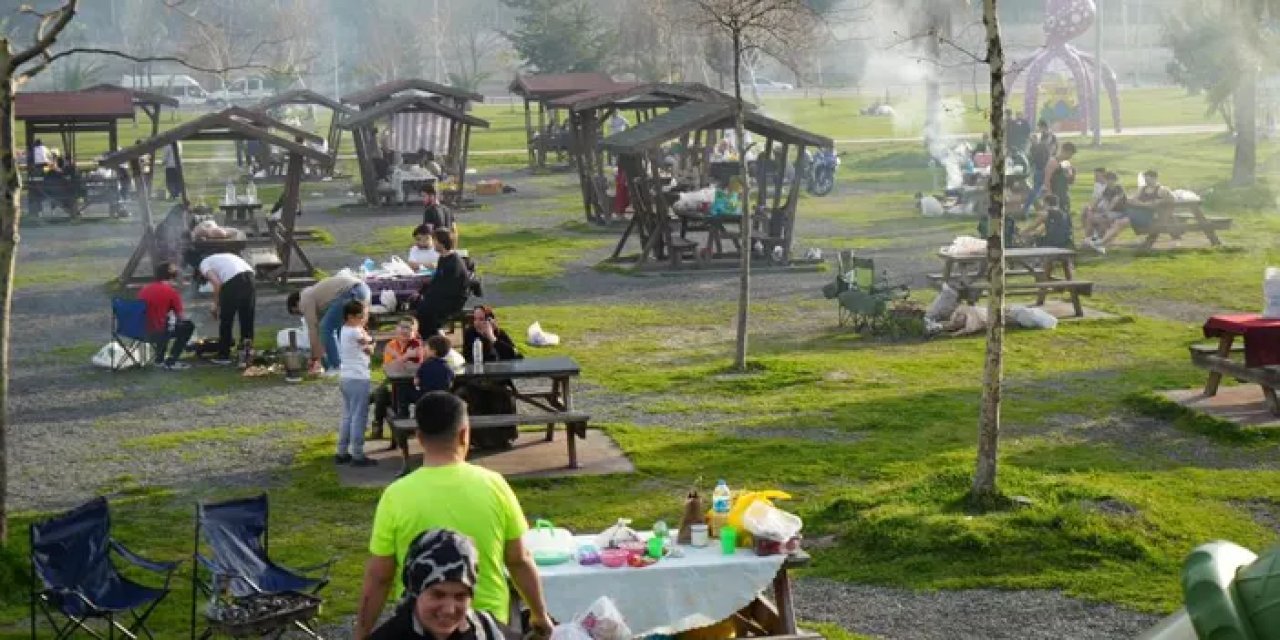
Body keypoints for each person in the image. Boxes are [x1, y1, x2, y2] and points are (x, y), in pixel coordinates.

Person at [355, 392, 553, 639]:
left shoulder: (396, 496)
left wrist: (362, 631)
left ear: (419, 437)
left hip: (423, 622)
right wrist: (538, 613)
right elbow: (518, 559)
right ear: (464, 434)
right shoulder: (494, 485)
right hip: (486, 624)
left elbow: (380, 576)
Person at [368, 529, 505, 640]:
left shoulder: (489, 632)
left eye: (460, 596)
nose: (449, 610)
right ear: (415, 591)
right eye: (438, 595)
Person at [458, 306, 521, 451]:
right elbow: (468, 358)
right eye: (475, 319)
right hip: (475, 378)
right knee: (471, 395)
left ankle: (504, 438)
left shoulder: (499, 334)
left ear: (490, 320)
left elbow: (514, 356)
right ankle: (480, 439)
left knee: (504, 394)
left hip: (498, 378)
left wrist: (492, 338)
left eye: (481, 319)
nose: (477, 323)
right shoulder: (470, 334)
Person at [287, 272, 373, 375]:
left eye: (298, 312)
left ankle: (336, 366)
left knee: (326, 327)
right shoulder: (319, 299)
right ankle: (352, 364)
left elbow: (314, 330)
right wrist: (321, 359)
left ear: (297, 303)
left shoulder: (305, 297)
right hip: (364, 290)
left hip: (352, 292)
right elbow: (322, 337)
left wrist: (314, 358)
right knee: (342, 331)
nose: (302, 314)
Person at [1089, 169, 1172, 254]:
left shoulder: (1161, 190)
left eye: (1148, 179)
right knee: (1118, 222)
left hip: (1147, 217)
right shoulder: (1143, 189)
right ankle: (1102, 243)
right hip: (1136, 214)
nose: (1146, 181)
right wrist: (1143, 203)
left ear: (1155, 178)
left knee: (1120, 222)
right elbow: (1133, 200)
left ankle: (1101, 243)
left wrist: (1154, 202)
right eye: (1145, 179)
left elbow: (1169, 200)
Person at [337, 300, 377, 467]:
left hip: (346, 376)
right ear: (350, 317)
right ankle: (358, 455)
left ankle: (342, 452)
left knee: (348, 416)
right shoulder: (354, 331)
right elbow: (369, 349)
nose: (364, 319)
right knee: (359, 417)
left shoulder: (346, 329)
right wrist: (372, 343)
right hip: (358, 377)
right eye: (361, 316)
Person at [198, 252, 256, 366]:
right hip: (250, 277)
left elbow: (217, 284)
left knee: (226, 320)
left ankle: (224, 355)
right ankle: (246, 354)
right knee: (247, 318)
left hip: (233, 281)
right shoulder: (220, 258)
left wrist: (215, 305)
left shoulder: (203, 264)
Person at [371, 318, 423, 441]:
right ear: (396, 329)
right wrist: (406, 357)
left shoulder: (417, 345)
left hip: (412, 385)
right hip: (393, 382)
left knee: (395, 395)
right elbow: (388, 368)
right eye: (402, 327)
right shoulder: (391, 345)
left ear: (415, 333)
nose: (405, 331)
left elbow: (414, 368)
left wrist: (397, 357)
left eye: (409, 328)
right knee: (381, 393)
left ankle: (404, 428)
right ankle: (377, 425)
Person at [136, 262, 195, 371]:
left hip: (139, 331)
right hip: (157, 333)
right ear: (173, 275)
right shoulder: (171, 292)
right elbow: (181, 317)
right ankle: (171, 361)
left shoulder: (145, 289)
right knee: (188, 326)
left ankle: (159, 359)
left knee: (163, 322)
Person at [414, 229, 469, 340]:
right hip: (442, 297)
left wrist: (427, 296)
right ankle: (429, 339)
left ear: (441, 242)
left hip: (452, 300)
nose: (433, 244)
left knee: (425, 312)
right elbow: (436, 282)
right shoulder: (443, 258)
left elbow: (447, 288)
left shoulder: (453, 263)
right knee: (419, 306)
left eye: (434, 240)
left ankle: (434, 341)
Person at [1020, 120, 1059, 217]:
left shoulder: (1048, 138)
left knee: (1039, 189)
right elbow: (1051, 151)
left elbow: (1052, 150)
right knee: (1040, 189)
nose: (1039, 129)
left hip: (1044, 167)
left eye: (1040, 127)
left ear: (1043, 127)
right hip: (1042, 167)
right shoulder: (1044, 138)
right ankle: (1029, 208)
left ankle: (1031, 208)